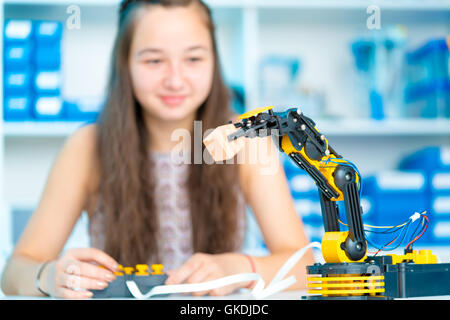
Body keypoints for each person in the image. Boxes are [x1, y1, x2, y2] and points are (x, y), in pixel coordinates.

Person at [1, 0, 314, 299]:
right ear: (125, 64)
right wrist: (50, 276)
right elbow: (15, 272)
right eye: (154, 60)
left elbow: (305, 267)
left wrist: (242, 267)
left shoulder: (244, 141)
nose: (175, 80)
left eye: (193, 59)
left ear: (214, 62)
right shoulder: (86, 146)